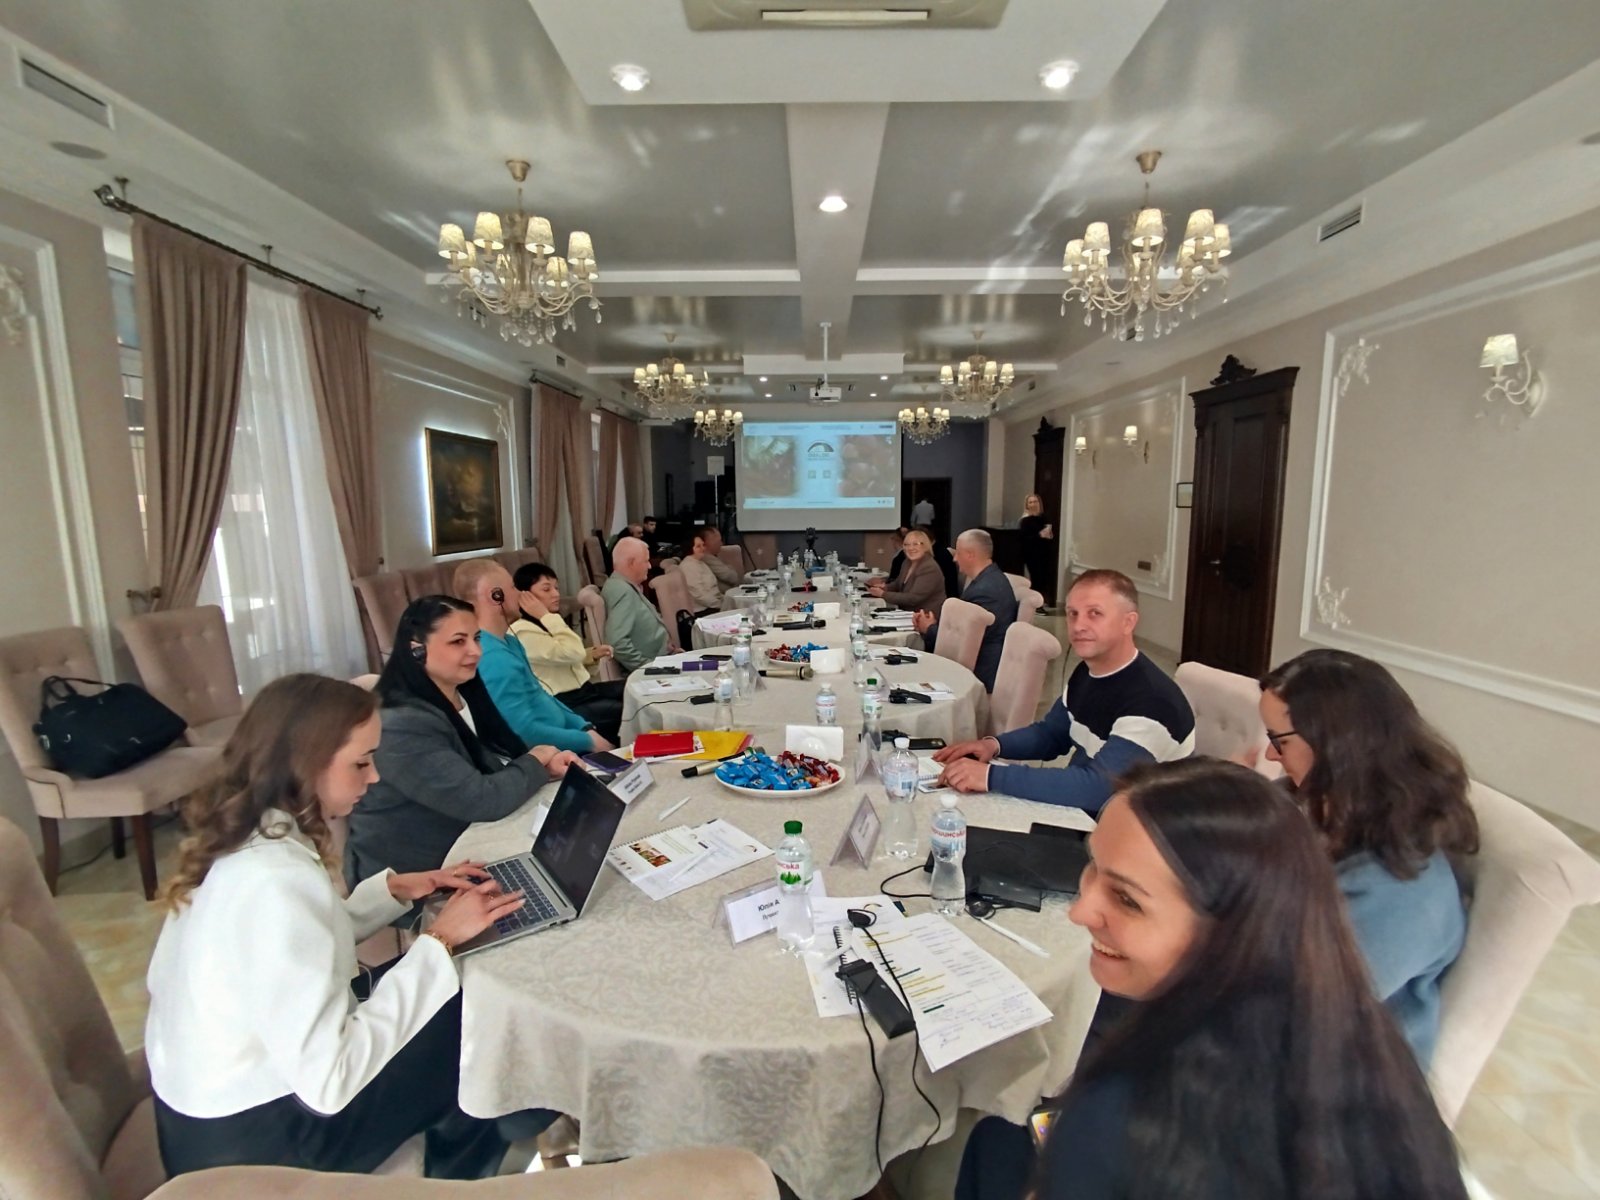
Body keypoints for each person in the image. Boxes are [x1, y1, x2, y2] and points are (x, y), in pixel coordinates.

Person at [957, 759, 1467, 1200]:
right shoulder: (1373, 1053)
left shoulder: (1119, 1113)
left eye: (1127, 899)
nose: (1080, 911)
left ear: (1229, 929)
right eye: (1093, 866)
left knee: (993, 1139)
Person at [146, 673, 539, 1179]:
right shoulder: (274, 881)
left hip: (205, 1116)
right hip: (263, 1144)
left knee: (463, 982)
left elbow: (295, 950)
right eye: (361, 762)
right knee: (485, 1021)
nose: (374, 777)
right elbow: (330, 1081)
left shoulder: (247, 836)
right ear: (306, 764)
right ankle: (457, 1176)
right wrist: (439, 940)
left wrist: (395, 890)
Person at [1258, 648, 1479, 1066]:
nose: (1271, 756)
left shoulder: (1403, 894)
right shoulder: (1318, 806)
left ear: (1336, 746)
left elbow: (1291, 1015)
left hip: (1337, 1074)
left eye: (1279, 741)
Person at [345, 596, 579, 884]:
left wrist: (544, 768)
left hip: (471, 838)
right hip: (415, 874)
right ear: (417, 650)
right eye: (458, 641)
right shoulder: (400, 724)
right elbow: (483, 800)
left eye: (477, 638)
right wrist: (537, 758)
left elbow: (496, 762)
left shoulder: (462, 690)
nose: (475, 651)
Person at [934, 569, 1193, 809]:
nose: (1078, 626)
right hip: (1092, 814)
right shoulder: (1088, 672)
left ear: (1128, 622)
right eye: (1072, 614)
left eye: (1095, 613)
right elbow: (1052, 734)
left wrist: (991, 776)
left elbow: (1098, 788)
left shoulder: (1152, 701)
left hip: (1141, 829)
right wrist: (993, 745)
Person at [452, 560, 610, 754]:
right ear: (495, 596)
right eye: (513, 587)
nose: (520, 594)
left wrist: (583, 727)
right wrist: (587, 742)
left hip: (561, 737)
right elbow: (523, 732)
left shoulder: (510, 641)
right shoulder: (493, 658)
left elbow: (540, 694)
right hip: (547, 754)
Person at [510, 561, 625, 744]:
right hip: (565, 703)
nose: (556, 594)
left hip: (586, 691)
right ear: (525, 595)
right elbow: (571, 651)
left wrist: (590, 655)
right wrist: (546, 615)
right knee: (630, 710)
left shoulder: (545, 622)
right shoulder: (521, 631)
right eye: (546, 589)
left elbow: (562, 657)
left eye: (556, 588)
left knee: (634, 687)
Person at [912, 529, 1017, 691]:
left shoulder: (986, 590)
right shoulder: (988, 579)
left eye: (958, 553)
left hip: (981, 669)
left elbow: (967, 638)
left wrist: (929, 628)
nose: (955, 559)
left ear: (970, 555)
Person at [601, 535, 678, 671]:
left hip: (664, 657)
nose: (649, 566)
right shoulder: (622, 591)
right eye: (646, 561)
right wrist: (647, 667)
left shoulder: (622, 585)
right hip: (654, 666)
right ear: (631, 563)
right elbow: (617, 642)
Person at [868, 526, 946, 615]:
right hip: (908, 613)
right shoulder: (907, 562)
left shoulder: (928, 567)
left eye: (915, 544)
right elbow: (898, 584)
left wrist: (883, 594)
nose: (910, 548)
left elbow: (913, 598)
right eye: (906, 545)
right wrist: (885, 587)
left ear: (925, 546)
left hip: (926, 616)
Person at [680, 524, 741, 613]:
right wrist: (722, 605)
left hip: (714, 606)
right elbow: (700, 596)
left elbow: (714, 592)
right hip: (703, 611)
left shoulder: (700, 563)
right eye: (698, 546)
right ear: (690, 548)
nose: (703, 548)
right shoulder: (688, 566)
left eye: (703, 545)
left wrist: (727, 602)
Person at [1018, 493, 1057, 612]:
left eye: (1035, 501)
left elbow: (1050, 535)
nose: (1034, 504)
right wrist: (1039, 535)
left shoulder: (1044, 518)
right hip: (1032, 554)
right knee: (1037, 579)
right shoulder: (1025, 521)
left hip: (1045, 553)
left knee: (1045, 578)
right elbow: (1024, 539)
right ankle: (1037, 605)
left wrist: (1049, 535)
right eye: (1031, 502)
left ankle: (1042, 601)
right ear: (1027, 505)